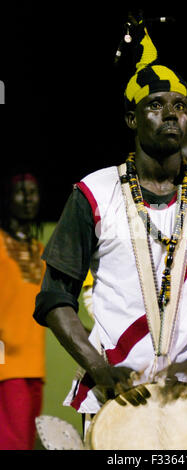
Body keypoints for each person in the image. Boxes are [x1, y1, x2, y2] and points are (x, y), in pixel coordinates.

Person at [34, 18, 187, 449]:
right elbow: (54, 296)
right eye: (157, 105)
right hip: (117, 394)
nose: (171, 114)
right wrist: (96, 367)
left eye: (180, 105)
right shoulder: (93, 193)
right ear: (130, 116)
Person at [0, 172, 46, 450]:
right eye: (20, 191)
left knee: (25, 443)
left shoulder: (39, 250)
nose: (28, 198)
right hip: (6, 366)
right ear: (7, 198)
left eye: (33, 191)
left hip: (34, 366)